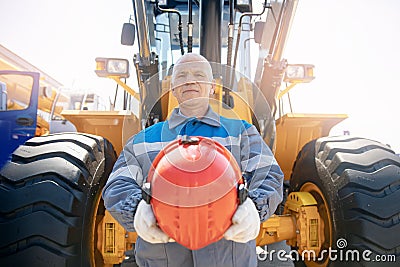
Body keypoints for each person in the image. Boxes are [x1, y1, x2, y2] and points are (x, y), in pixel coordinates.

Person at [102, 53, 284, 267]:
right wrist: (135, 209)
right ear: (172, 87)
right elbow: (117, 184)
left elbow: (268, 175)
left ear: (212, 87)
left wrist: (255, 205)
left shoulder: (243, 132)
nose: (190, 80)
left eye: (199, 74)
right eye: (182, 76)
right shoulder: (143, 140)